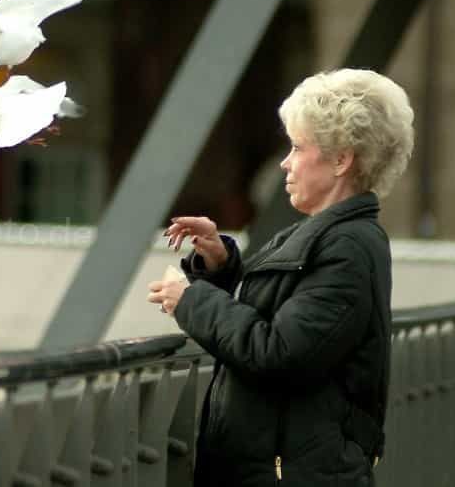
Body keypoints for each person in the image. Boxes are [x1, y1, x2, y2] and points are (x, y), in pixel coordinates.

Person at [147, 68, 414, 486]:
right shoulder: (331, 234)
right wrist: (219, 262)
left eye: (296, 147)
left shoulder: (347, 245)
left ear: (342, 159)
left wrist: (190, 301)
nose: (285, 163)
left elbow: (281, 351)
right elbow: (273, 314)